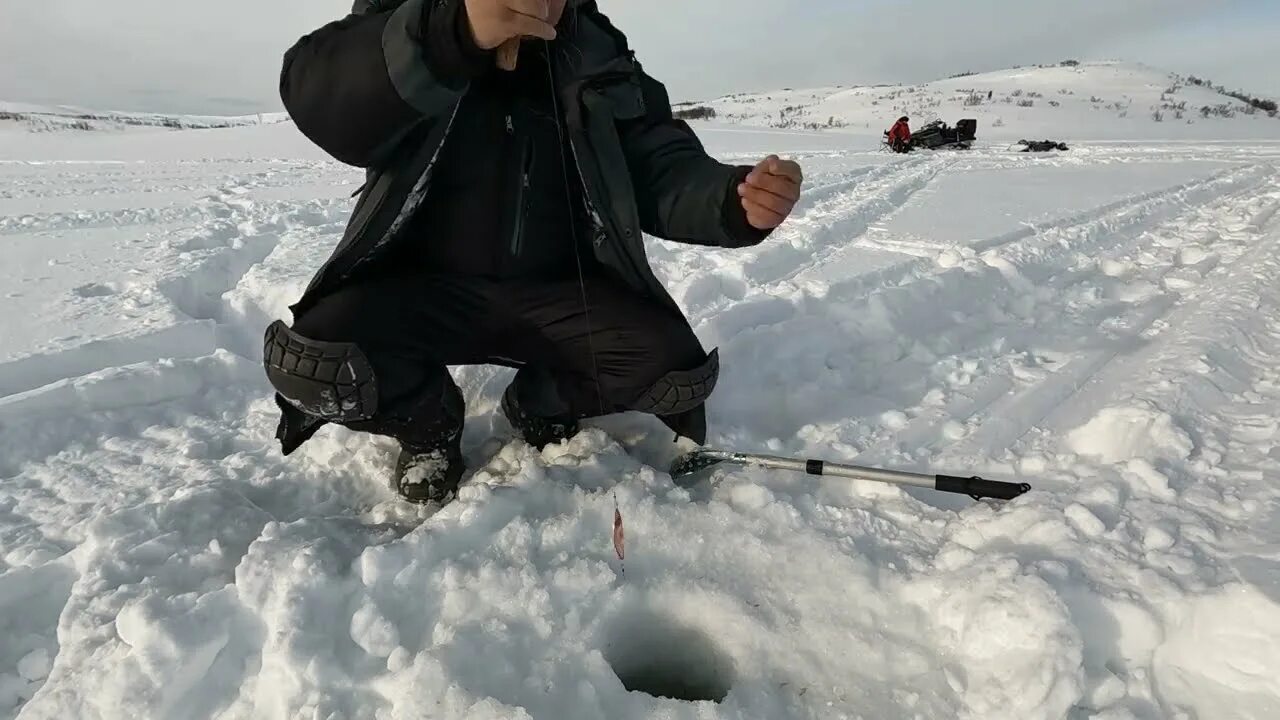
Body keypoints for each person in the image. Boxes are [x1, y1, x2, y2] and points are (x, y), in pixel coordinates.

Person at [263, 0, 804, 503]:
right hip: (419, 291)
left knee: (671, 373)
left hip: (559, 294)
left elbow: (657, 163)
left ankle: (539, 404)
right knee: (315, 363)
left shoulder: (597, 49)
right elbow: (322, 94)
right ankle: (430, 426)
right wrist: (453, 32)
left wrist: (731, 202)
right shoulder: (413, 12)